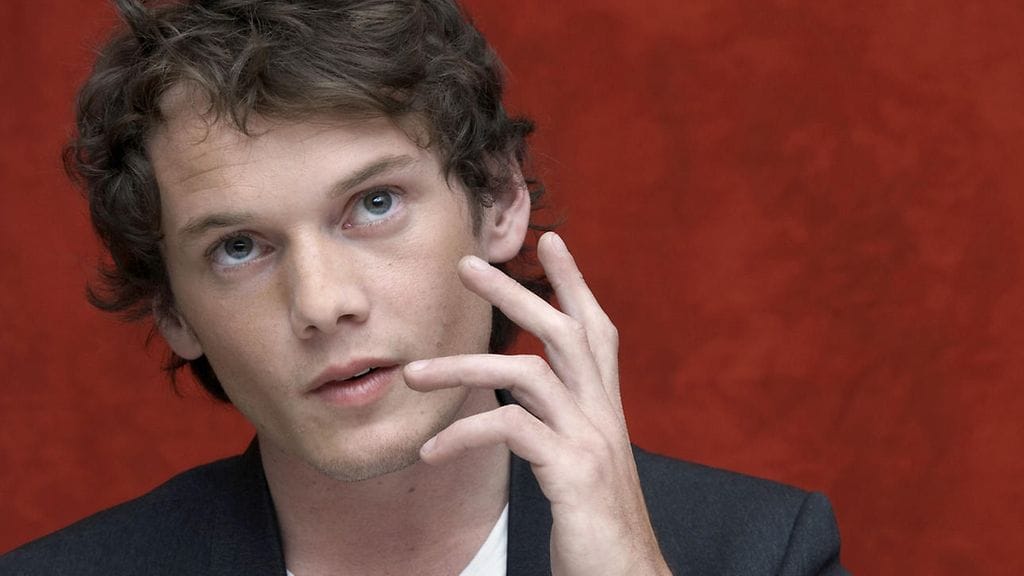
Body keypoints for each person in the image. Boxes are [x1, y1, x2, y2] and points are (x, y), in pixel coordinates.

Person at [1, 0, 849, 574]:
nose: (323, 302)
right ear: (173, 311)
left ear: (498, 200)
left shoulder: (761, 552)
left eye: (374, 204)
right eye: (239, 247)